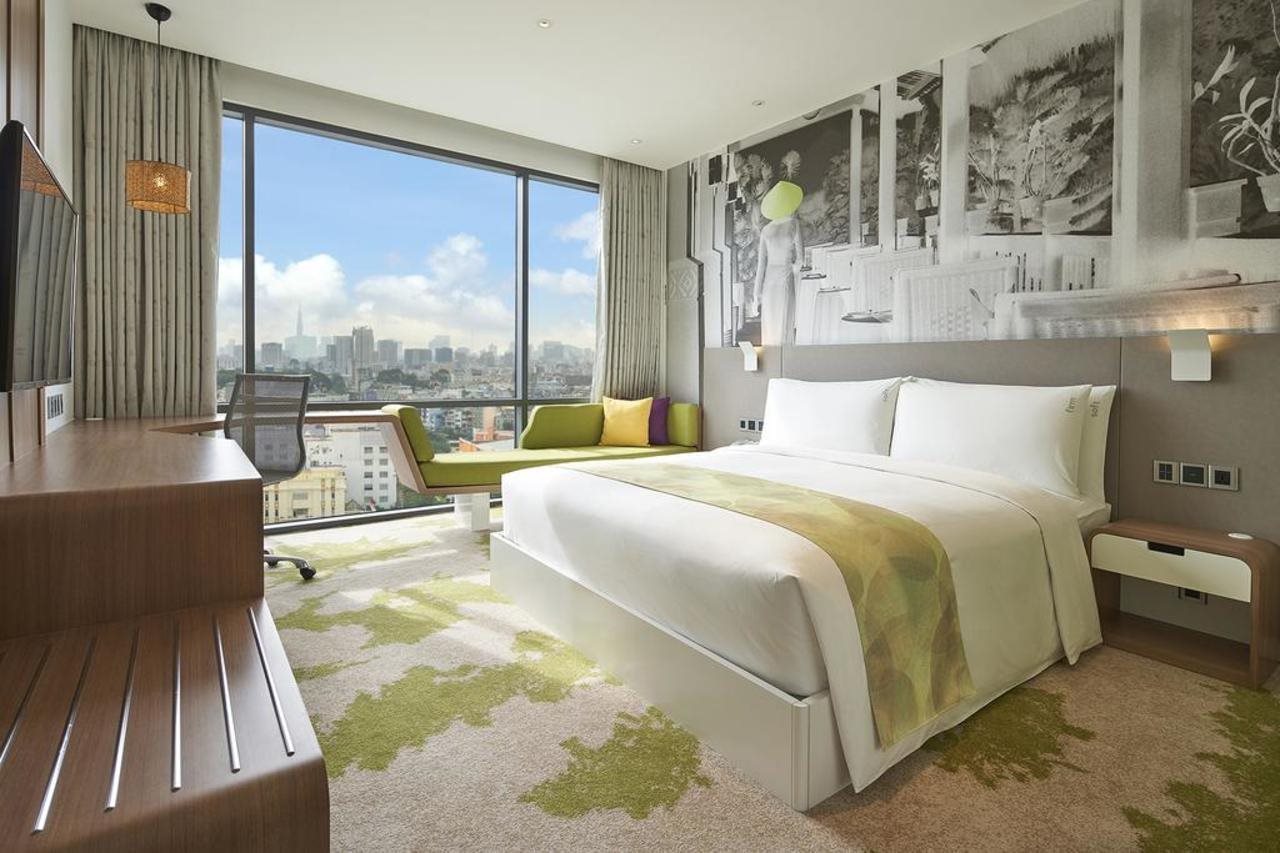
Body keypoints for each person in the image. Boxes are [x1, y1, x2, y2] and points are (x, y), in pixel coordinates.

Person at [753, 180, 804, 345]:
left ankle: (776, 356)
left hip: (775, 279)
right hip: (780, 278)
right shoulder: (791, 225)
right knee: (779, 321)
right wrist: (792, 270)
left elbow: (761, 265)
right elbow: (800, 260)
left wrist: (756, 293)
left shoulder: (770, 229)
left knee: (775, 322)